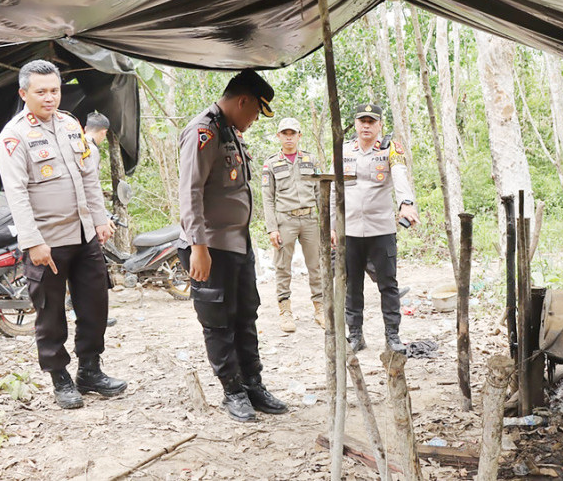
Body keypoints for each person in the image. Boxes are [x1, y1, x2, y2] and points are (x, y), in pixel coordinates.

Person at [0, 60, 126, 409]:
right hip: (47, 243)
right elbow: (17, 194)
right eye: (41, 92)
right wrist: (34, 242)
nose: (50, 97)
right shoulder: (13, 137)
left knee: (95, 305)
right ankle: (60, 378)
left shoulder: (71, 124)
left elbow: (88, 176)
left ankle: (90, 370)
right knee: (51, 313)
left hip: (84, 236)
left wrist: (100, 219)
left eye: (54, 90)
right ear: (24, 94)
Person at [177, 70, 287, 422]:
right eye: (255, 112)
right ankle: (232, 390)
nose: (254, 120)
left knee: (245, 315)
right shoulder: (203, 131)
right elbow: (190, 192)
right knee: (219, 321)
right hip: (210, 247)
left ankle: (253, 384)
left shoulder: (230, 132)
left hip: (238, 244)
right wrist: (198, 245)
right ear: (243, 101)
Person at [331, 104, 419, 354]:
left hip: (381, 229)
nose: (366, 126)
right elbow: (333, 188)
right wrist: (332, 225)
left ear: (380, 125)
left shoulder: (391, 149)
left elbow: (400, 176)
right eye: (362, 121)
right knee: (352, 285)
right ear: (356, 124)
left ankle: (392, 335)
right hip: (350, 230)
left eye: (372, 121)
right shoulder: (344, 150)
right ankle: (355, 335)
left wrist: (407, 203)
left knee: (388, 285)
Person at [261, 117, 323, 333]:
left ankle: (320, 308)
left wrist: (325, 222)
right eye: (284, 134)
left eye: (292, 133)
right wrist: (272, 228)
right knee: (282, 267)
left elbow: (319, 192)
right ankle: (285, 311)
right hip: (284, 219)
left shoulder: (311, 160)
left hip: (309, 220)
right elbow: (267, 198)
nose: (289, 138)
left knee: (316, 265)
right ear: (278, 136)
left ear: (299, 135)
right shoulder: (271, 163)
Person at [84, 111, 117, 327]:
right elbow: (91, 187)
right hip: (86, 220)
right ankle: (96, 317)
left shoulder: (75, 141)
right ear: (103, 133)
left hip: (76, 218)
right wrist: (101, 220)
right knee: (94, 272)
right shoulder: (91, 150)